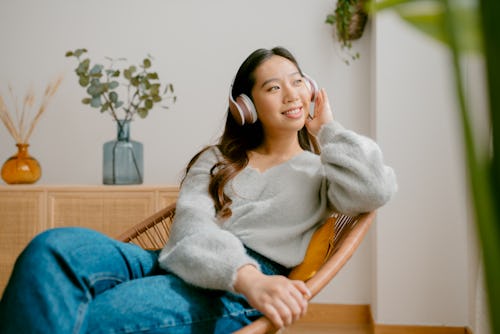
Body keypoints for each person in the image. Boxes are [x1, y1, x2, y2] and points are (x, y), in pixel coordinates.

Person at [0, 46, 397, 333]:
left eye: (298, 82)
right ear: (247, 106)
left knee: (98, 317)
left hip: (239, 290)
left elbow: (374, 188)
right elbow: (189, 226)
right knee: (50, 249)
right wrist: (243, 274)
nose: (292, 94)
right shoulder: (217, 160)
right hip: (178, 260)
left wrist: (327, 129)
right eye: (274, 88)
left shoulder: (322, 172)